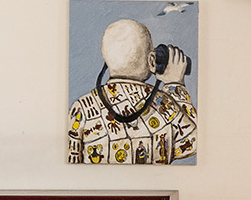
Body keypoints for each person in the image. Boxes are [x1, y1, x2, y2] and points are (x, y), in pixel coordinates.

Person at [67, 18, 196, 165]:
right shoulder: (164, 105)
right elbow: (194, 143)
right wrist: (176, 85)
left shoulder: (81, 108)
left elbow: (71, 158)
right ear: (152, 60)